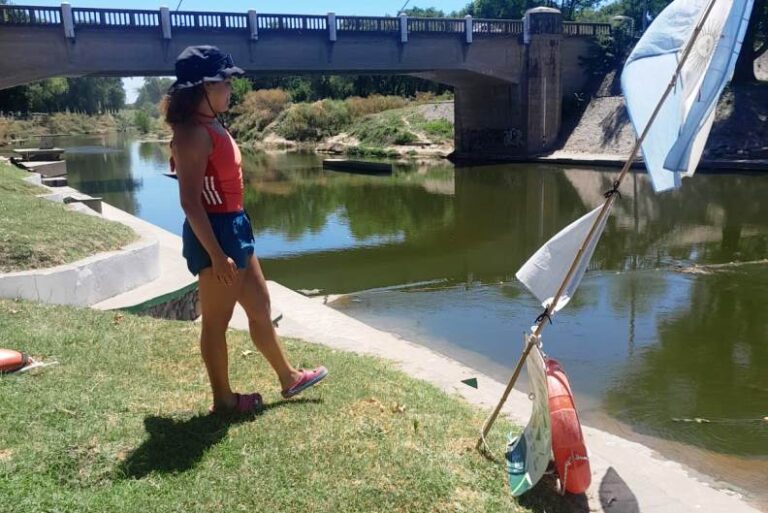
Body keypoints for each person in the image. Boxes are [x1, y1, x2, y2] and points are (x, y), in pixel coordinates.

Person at [162, 46, 327, 414]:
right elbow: (191, 202)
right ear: (203, 86)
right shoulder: (192, 134)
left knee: (260, 306)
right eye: (225, 82)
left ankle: (288, 377)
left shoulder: (212, 123)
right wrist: (218, 256)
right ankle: (223, 400)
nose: (230, 89)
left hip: (234, 226)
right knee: (217, 322)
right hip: (216, 234)